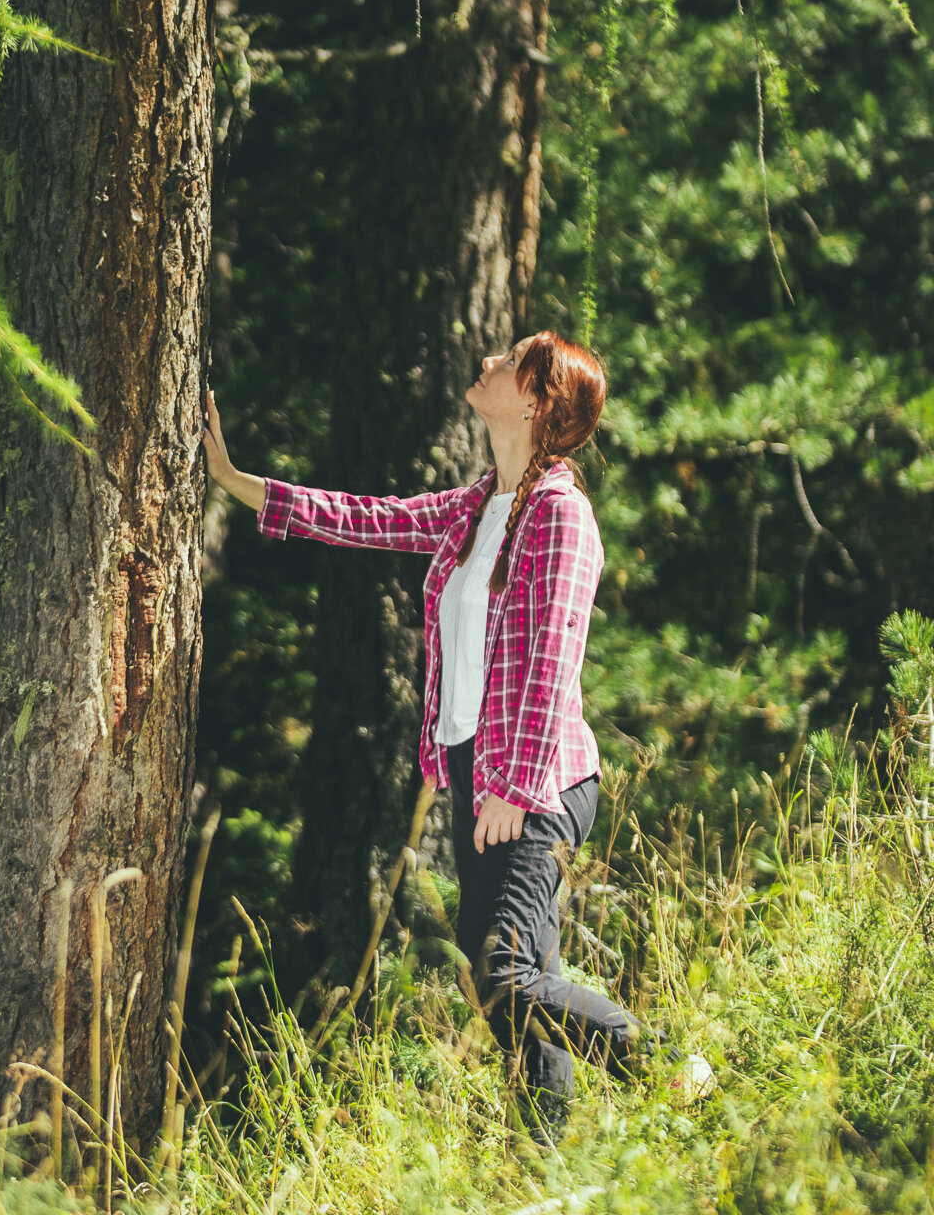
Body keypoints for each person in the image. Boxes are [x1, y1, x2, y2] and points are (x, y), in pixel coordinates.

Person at [202, 331, 709, 1141]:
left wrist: (515, 785)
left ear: (538, 399)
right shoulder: (477, 509)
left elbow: (553, 656)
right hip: (482, 771)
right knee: (515, 973)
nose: (488, 364)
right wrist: (237, 483)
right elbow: (367, 520)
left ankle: (659, 1058)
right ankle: (539, 1158)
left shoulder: (561, 517)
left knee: (501, 971)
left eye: (509, 363)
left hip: (536, 780)